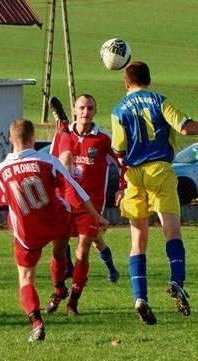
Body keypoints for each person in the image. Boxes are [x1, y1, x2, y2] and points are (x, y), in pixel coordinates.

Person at [0, 118, 109, 342]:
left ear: (9, 139)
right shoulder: (48, 161)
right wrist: (97, 216)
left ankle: (36, 321)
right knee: (59, 252)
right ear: (33, 139)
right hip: (56, 221)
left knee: (26, 278)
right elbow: (76, 192)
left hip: (27, 231)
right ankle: (59, 287)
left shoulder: (1, 170)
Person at [111, 61, 198, 325]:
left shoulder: (118, 110)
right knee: (172, 230)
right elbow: (185, 127)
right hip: (160, 169)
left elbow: (119, 149)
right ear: (149, 79)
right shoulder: (160, 101)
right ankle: (177, 281)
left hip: (134, 175)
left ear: (127, 82)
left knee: (138, 239)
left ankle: (140, 297)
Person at [45, 94, 126, 316]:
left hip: (90, 207)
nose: (85, 112)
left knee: (83, 251)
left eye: (90, 108)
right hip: (63, 205)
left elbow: (122, 164)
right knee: (58, 252)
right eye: (81, 108)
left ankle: (73, 301)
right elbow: (51, 167)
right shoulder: (62, 136)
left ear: (95, 111)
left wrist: (122, 186)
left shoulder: (103, 139)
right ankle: (59, 290)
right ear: (74, 110)